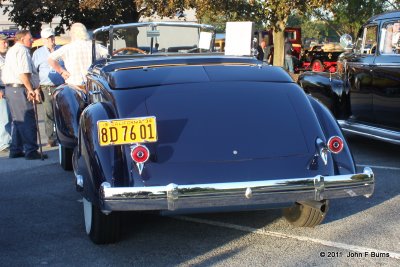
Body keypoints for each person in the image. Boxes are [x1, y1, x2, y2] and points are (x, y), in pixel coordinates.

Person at [2, 30, 47, 160]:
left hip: (12, 89)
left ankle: (16, 149)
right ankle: (31, 150)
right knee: (27, 120)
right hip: (18, 88)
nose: (32, 40)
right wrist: (30, 89)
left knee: (18, 120)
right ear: (22, 40)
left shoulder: (14, 50)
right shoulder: (22, 51)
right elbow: (23, 72)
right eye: (30, 38)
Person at [48, 22, 108, 89]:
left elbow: (50, 59)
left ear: (72, 34)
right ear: (85, 33)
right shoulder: (96, 46)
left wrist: (61, 71)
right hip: (94, 86)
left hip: (74, 86)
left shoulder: (67, 48)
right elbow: (112, 55)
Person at [32, 28, 65, 147]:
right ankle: (51, 138)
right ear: (44, 40)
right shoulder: (38, 53)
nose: (51, 39)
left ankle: (64, 136)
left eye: (52, 37)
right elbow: (33, 72)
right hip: (46, 87)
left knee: (62, 112)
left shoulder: (62, 49)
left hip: (62, 86)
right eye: (48, 38)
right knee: (49, 113)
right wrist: (35, 88)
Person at [0, 34, 11, 152]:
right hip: (1, 89)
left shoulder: (6, 57)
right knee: (4, 117)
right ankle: (4, 143)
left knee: (9, 116)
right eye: (3, 42)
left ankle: (8, 140)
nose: (6, 45)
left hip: (8, 88)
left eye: (6, 42)